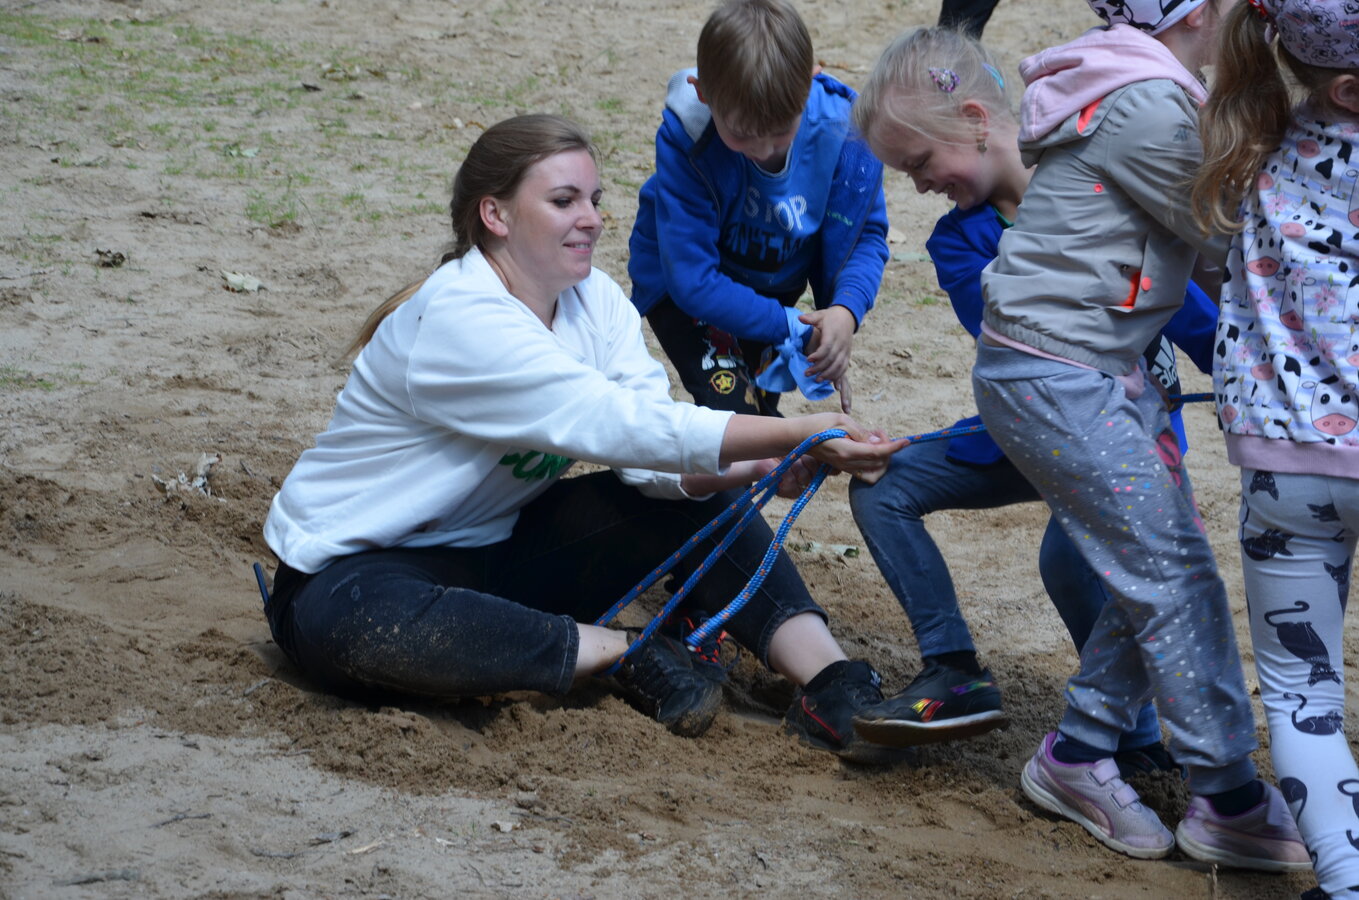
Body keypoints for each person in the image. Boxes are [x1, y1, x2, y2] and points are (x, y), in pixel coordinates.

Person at [260, 114, 910, 764]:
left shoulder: (595, 301)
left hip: (496, 555)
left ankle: (833, 685)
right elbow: (614, 421)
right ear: (495, 214)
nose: (592, 219)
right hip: (351, 572)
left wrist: (760, 463)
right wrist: (799, 429)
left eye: (594, 200)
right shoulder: (458, 314)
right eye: (563, 201)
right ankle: (623, 650)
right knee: (351, 622)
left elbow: (654, 460)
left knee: (699, 493)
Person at [966, 0, 1312, 869]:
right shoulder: (1147, 106)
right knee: (1173, 570)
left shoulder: (1133, 85)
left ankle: (1079, 752)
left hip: (1082, 367)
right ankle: (1227, 796)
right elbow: (1230, 233)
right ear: (1194, 12)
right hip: (1058, 373)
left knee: (1155, 557)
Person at [842, 27, 1216, 781]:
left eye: (920, 162)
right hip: (1036, 423)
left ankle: (1135, 738)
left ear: (975, 121)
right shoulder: (958, 243)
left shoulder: (1098, 186)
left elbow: (1196, 316)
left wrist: (1251, 388)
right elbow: (1021, 356)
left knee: (1071, 558)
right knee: (883, 488)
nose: (919, 186)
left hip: (1129, 438)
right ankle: (953, 669)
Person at [1193, 2, 1359, 896]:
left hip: (1286, 466)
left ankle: (1345, 879)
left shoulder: (1250, 146)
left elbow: (1210, 271)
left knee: (1301, 695)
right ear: (1348, 88)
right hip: (1294, 462)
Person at [627, 0, 889, 417]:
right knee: (742, 418)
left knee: (761, 413)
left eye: (782, 131)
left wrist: (845, 310)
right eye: (742, 133)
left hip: (773, 294)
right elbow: (693, 280)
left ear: (810, 83)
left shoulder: (845, 134)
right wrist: (792, 326)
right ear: (703, 94)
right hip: (688, 293)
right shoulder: (689, 138)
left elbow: (865, 236)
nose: (764, 150)